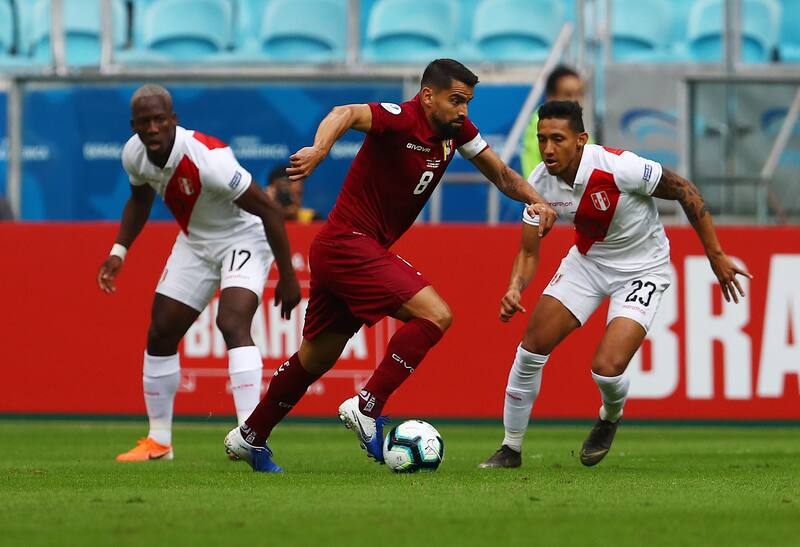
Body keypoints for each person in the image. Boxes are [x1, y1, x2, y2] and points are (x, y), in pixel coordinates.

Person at [224, 58, 558, 472]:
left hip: (344, 249)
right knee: (436, 314)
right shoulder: (399, 119)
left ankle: (249, 435)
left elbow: (503, 176)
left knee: (316, 358)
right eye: (456, 100)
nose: (463, 111)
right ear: (428, 95)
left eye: (468, 102)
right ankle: (368, 406)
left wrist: (537, 201)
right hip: (349, 244)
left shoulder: (458, 132)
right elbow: (343, 113)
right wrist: (321, 150)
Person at [479, 100, 750, 469]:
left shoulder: (620, 167)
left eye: (557, 139)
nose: (547, 149)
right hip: (588, 264)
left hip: (643, 268)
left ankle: (610, 414)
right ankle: (510, 449)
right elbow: (529, 251)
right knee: (530, 349)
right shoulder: (540, 182)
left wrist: (715, 255)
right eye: (542, 139)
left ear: (581, 140)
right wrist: (515, 287)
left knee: (605, 368)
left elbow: (685, 190)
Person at [98, 84, 300, 462]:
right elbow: (139, 201)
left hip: (244, 236)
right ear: (134, 126)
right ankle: (159, 442)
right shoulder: (133, 155)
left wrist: (287, 276)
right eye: (145, 122)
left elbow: (270, 211)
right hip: (196, 242)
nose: (153, 128)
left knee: (232, 321)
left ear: (174, 120)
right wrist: (118, 251)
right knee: (161, 331)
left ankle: (250, 437)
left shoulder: (210, 159)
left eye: (160, 120)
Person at [521, 65, 590, 178]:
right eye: (568, 94)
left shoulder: (577, 124)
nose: (576, 101)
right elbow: (532, 171)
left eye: (580, 94)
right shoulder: (542, 125)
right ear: (550, 96)